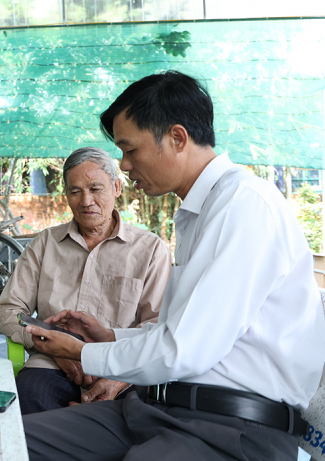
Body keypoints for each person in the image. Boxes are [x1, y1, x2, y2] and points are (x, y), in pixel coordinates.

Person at [22, 71, 325, 461]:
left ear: (177, 138)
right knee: (8, 439)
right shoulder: (198, 214)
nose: (124, 165)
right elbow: (177, 332)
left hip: (228, 428)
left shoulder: (243, 205)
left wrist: (82, 352)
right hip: (157, 409)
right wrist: (109, 336)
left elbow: (184, 349)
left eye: (130, 150)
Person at [0, 147, 170, 414]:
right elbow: (7, 312)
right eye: (75, 191)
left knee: (142, 416)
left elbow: (159, 328)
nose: (86, 201)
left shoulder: (150, 250)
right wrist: (55, 350)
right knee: (29, 398)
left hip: (121, 368)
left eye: (95, 189)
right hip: (52, 365)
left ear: (116, 187)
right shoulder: (46, 244)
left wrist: (119, 379)